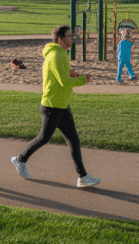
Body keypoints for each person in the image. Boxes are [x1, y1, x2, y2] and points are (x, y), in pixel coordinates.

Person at [11, 25, 101, 189]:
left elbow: (59, 74)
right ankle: (20, 159)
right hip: (53, 106)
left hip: (61, 105)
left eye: (72, 35)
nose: (72, 39)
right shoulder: (56, 55)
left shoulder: (59, 54)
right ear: (60, 38)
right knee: (43, 139)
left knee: (73, 141)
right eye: (69, 36)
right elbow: (63, 82)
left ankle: (82, 177)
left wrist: (70, 71)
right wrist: (83, 79)